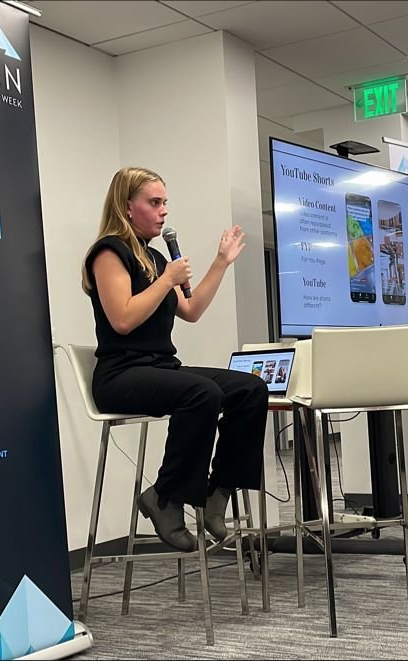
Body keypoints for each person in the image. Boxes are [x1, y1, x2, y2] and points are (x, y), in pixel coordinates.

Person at [81, 166, 268, 553]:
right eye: (154, 202)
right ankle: (165, 498)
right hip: (121, 375)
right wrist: (166, 279)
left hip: (160, 369)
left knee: (250, 388)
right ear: (127, 206)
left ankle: (218, 491)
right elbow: (123, 318)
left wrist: (220, 262)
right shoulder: (109, 252)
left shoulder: (151, 256)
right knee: (201, 394)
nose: (163, 211)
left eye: (165, 202)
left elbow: (192, 309)